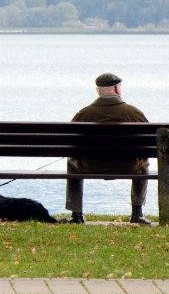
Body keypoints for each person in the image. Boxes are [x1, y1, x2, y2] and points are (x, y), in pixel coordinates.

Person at [64, 72, 151, 225]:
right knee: (143, 164)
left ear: (98, 90)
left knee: (72, 162)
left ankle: (76, 214)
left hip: (91, 166)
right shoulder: (134, 114)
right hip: (128, 166)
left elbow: (70, 143)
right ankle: (137, 213)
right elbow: (149, 144)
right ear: (117, 89)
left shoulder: (83, 114)